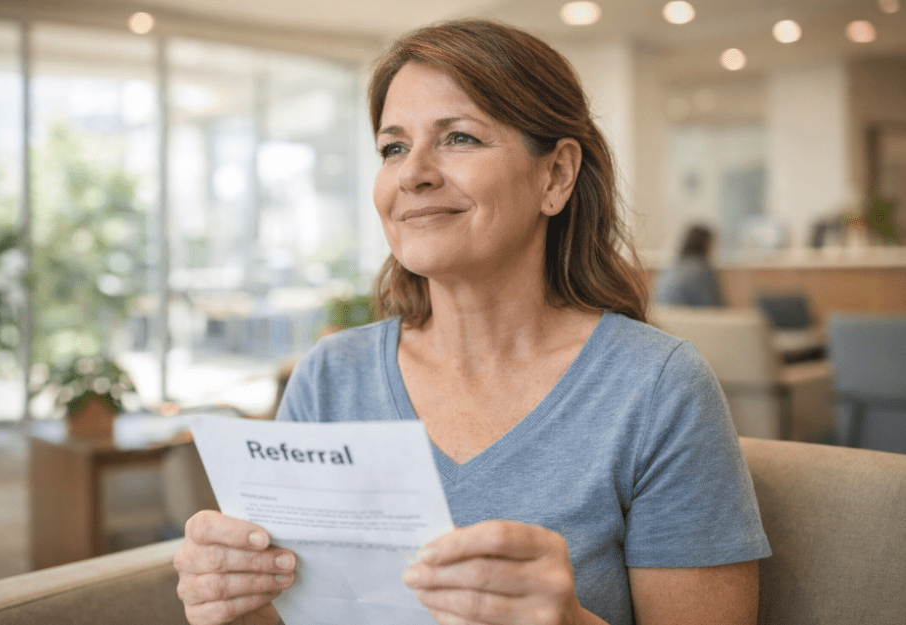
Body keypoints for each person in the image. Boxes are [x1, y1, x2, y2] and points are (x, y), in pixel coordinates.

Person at [174, 19, 770, 625]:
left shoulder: (657, 387)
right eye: (393, 147)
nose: (413, 173)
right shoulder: (330, 377)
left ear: (556, 175)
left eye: (458, 138)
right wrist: (235, 606)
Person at [654, 224, 726, 307]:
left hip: (664, 316)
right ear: (706, 245)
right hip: (690, 318)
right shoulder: (701, 270)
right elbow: (714, 306)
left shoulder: (672, 267)